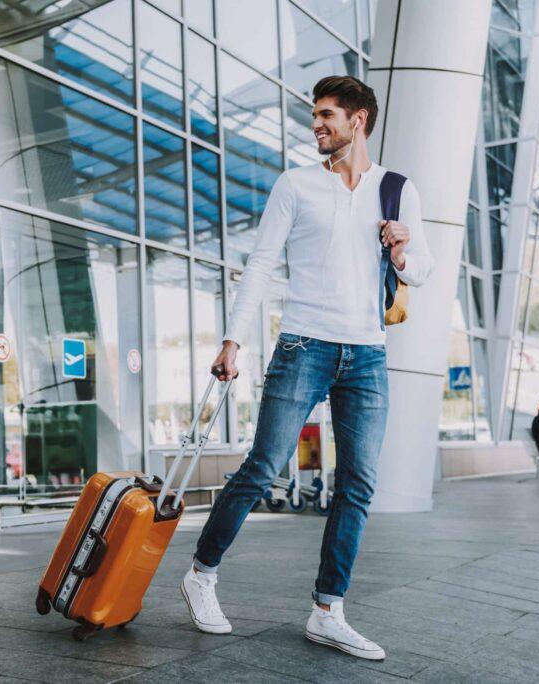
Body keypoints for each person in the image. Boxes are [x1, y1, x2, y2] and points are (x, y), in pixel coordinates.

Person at [179, 76, 434, 661]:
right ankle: (202, 574)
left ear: (359, 119)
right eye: (314, 116)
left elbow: (421, 270)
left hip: (366, 353)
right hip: (302, 346)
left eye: (327, 115)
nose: (316, 125)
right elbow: (262, 263)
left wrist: (401, 249)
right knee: (264, 464)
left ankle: (328, 610)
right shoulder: (295, 185)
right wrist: (232, 341)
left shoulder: (397, 189)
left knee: (358, 484)